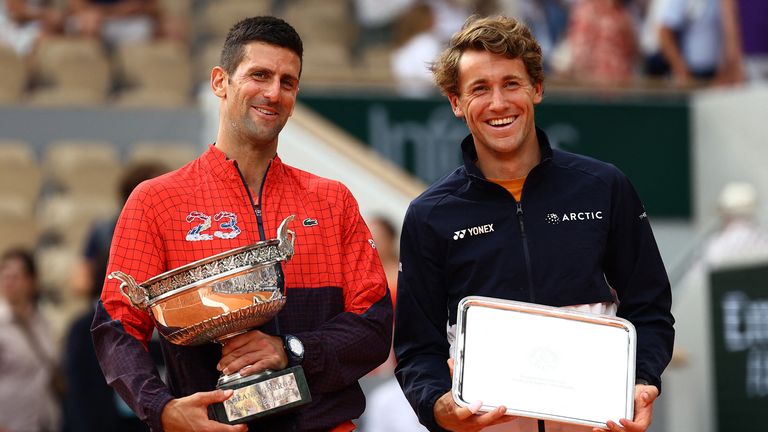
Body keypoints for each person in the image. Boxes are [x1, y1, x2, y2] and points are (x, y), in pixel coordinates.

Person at [91, 16, 392, 432]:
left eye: (287, 82)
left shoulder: (331, 200)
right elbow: (117, 326)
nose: (273, 92)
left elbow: (374, 326)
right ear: (220, 82)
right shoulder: (157, 200)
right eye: (260, 75)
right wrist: (160, 408)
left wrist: (291, 349)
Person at [393, 15, 674, 432]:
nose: (499, 103)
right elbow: (418, 347)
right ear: (456, 103)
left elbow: (650, 308)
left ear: (537, 89)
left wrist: (641, 381)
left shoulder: (603, 187)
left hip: (596, 421)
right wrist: (438, 406)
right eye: (479, 89)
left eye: (511, 83)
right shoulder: (430, 214)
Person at [63, 161, 168, 432]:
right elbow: (80, 282)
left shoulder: (168, 227)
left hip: (157, 318)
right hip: (113, 317)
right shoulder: (102, 230)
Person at [0, 248, 60, 432]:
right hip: (10, 423)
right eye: (5, 275)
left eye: (16, 276)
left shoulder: (41, 319)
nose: (9, 282)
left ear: (32, 281)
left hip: (43, 419)